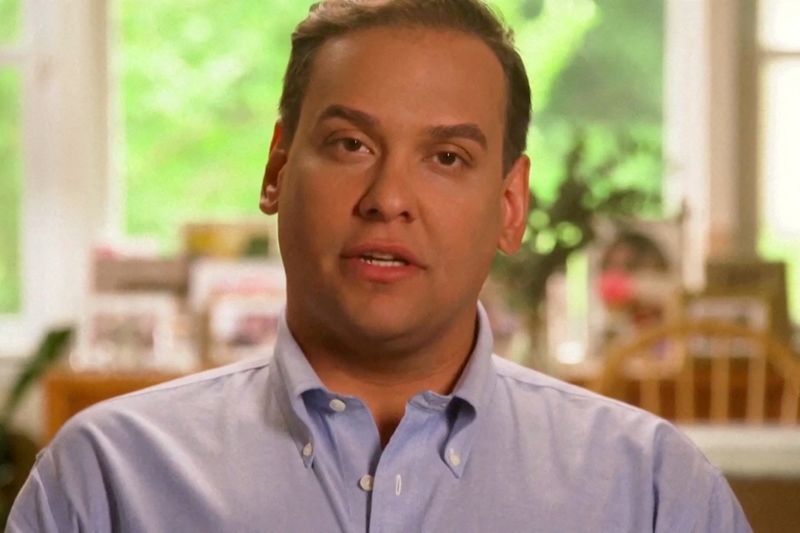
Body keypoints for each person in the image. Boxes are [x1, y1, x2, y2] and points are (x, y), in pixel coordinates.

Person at [9, 1, 751, 531]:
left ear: (510, 206)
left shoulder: (652, 491)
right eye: (350, 145)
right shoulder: (104, 481)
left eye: (447, 157)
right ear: (275, 170)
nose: (389, 198)